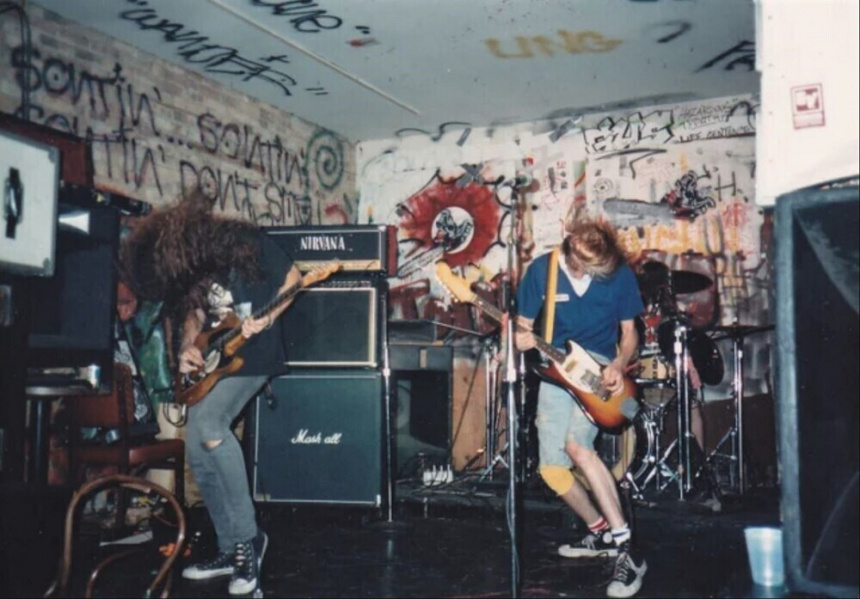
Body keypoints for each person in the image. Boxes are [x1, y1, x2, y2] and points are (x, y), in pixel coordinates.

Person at [120, 191, 301, 596]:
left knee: (209, 423)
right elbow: (196, 312)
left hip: (256, 355)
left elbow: (294, 277)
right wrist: (188, 346)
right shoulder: (193, 270)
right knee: (200, 448)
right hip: (221, 357)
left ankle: (250, 542)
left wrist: (267, 317)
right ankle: (228, 547)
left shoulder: (241, 240)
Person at [515, 219, 647, 598]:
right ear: (573, 254)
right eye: (591, 271)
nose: (598, 276)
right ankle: (598, 532)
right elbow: (523, 328)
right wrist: (521, 340)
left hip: (599, 368)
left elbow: (629, 332)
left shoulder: (619, 274)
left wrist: (619, 365)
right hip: (556, 371)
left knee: (577, 446)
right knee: (551, 469)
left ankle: (628, 552)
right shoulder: (543, 270)